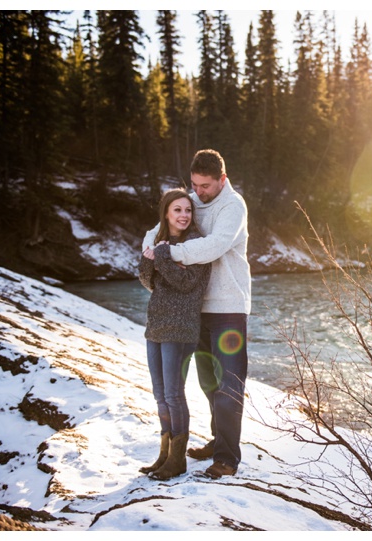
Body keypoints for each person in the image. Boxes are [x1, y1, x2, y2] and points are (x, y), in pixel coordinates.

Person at [142, 149, 251, 479]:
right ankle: (218, 440)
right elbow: (157, 229)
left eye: (205, 186)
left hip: (228, 307)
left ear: (222, 179)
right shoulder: (191, 200)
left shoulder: (233, 206)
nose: (198, 193)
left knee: (229, 384)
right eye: (194, 185)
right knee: (209, 382)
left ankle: (227, 458)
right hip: (195, 308)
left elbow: (214, 246)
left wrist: (168, 253)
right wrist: (152, 247)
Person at [138, 188, 211, 480]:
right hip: (156, 325)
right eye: (177, 210)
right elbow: (149, 283)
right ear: (166, 213)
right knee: (159, 395)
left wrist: (163, 257)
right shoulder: (161, 242)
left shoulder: (196, 244)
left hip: (181, 329)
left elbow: (185, 282)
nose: (183, 215)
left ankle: (177, 460)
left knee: (173, 394)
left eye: (188, 210)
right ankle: (165, 454)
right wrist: (149, 260)